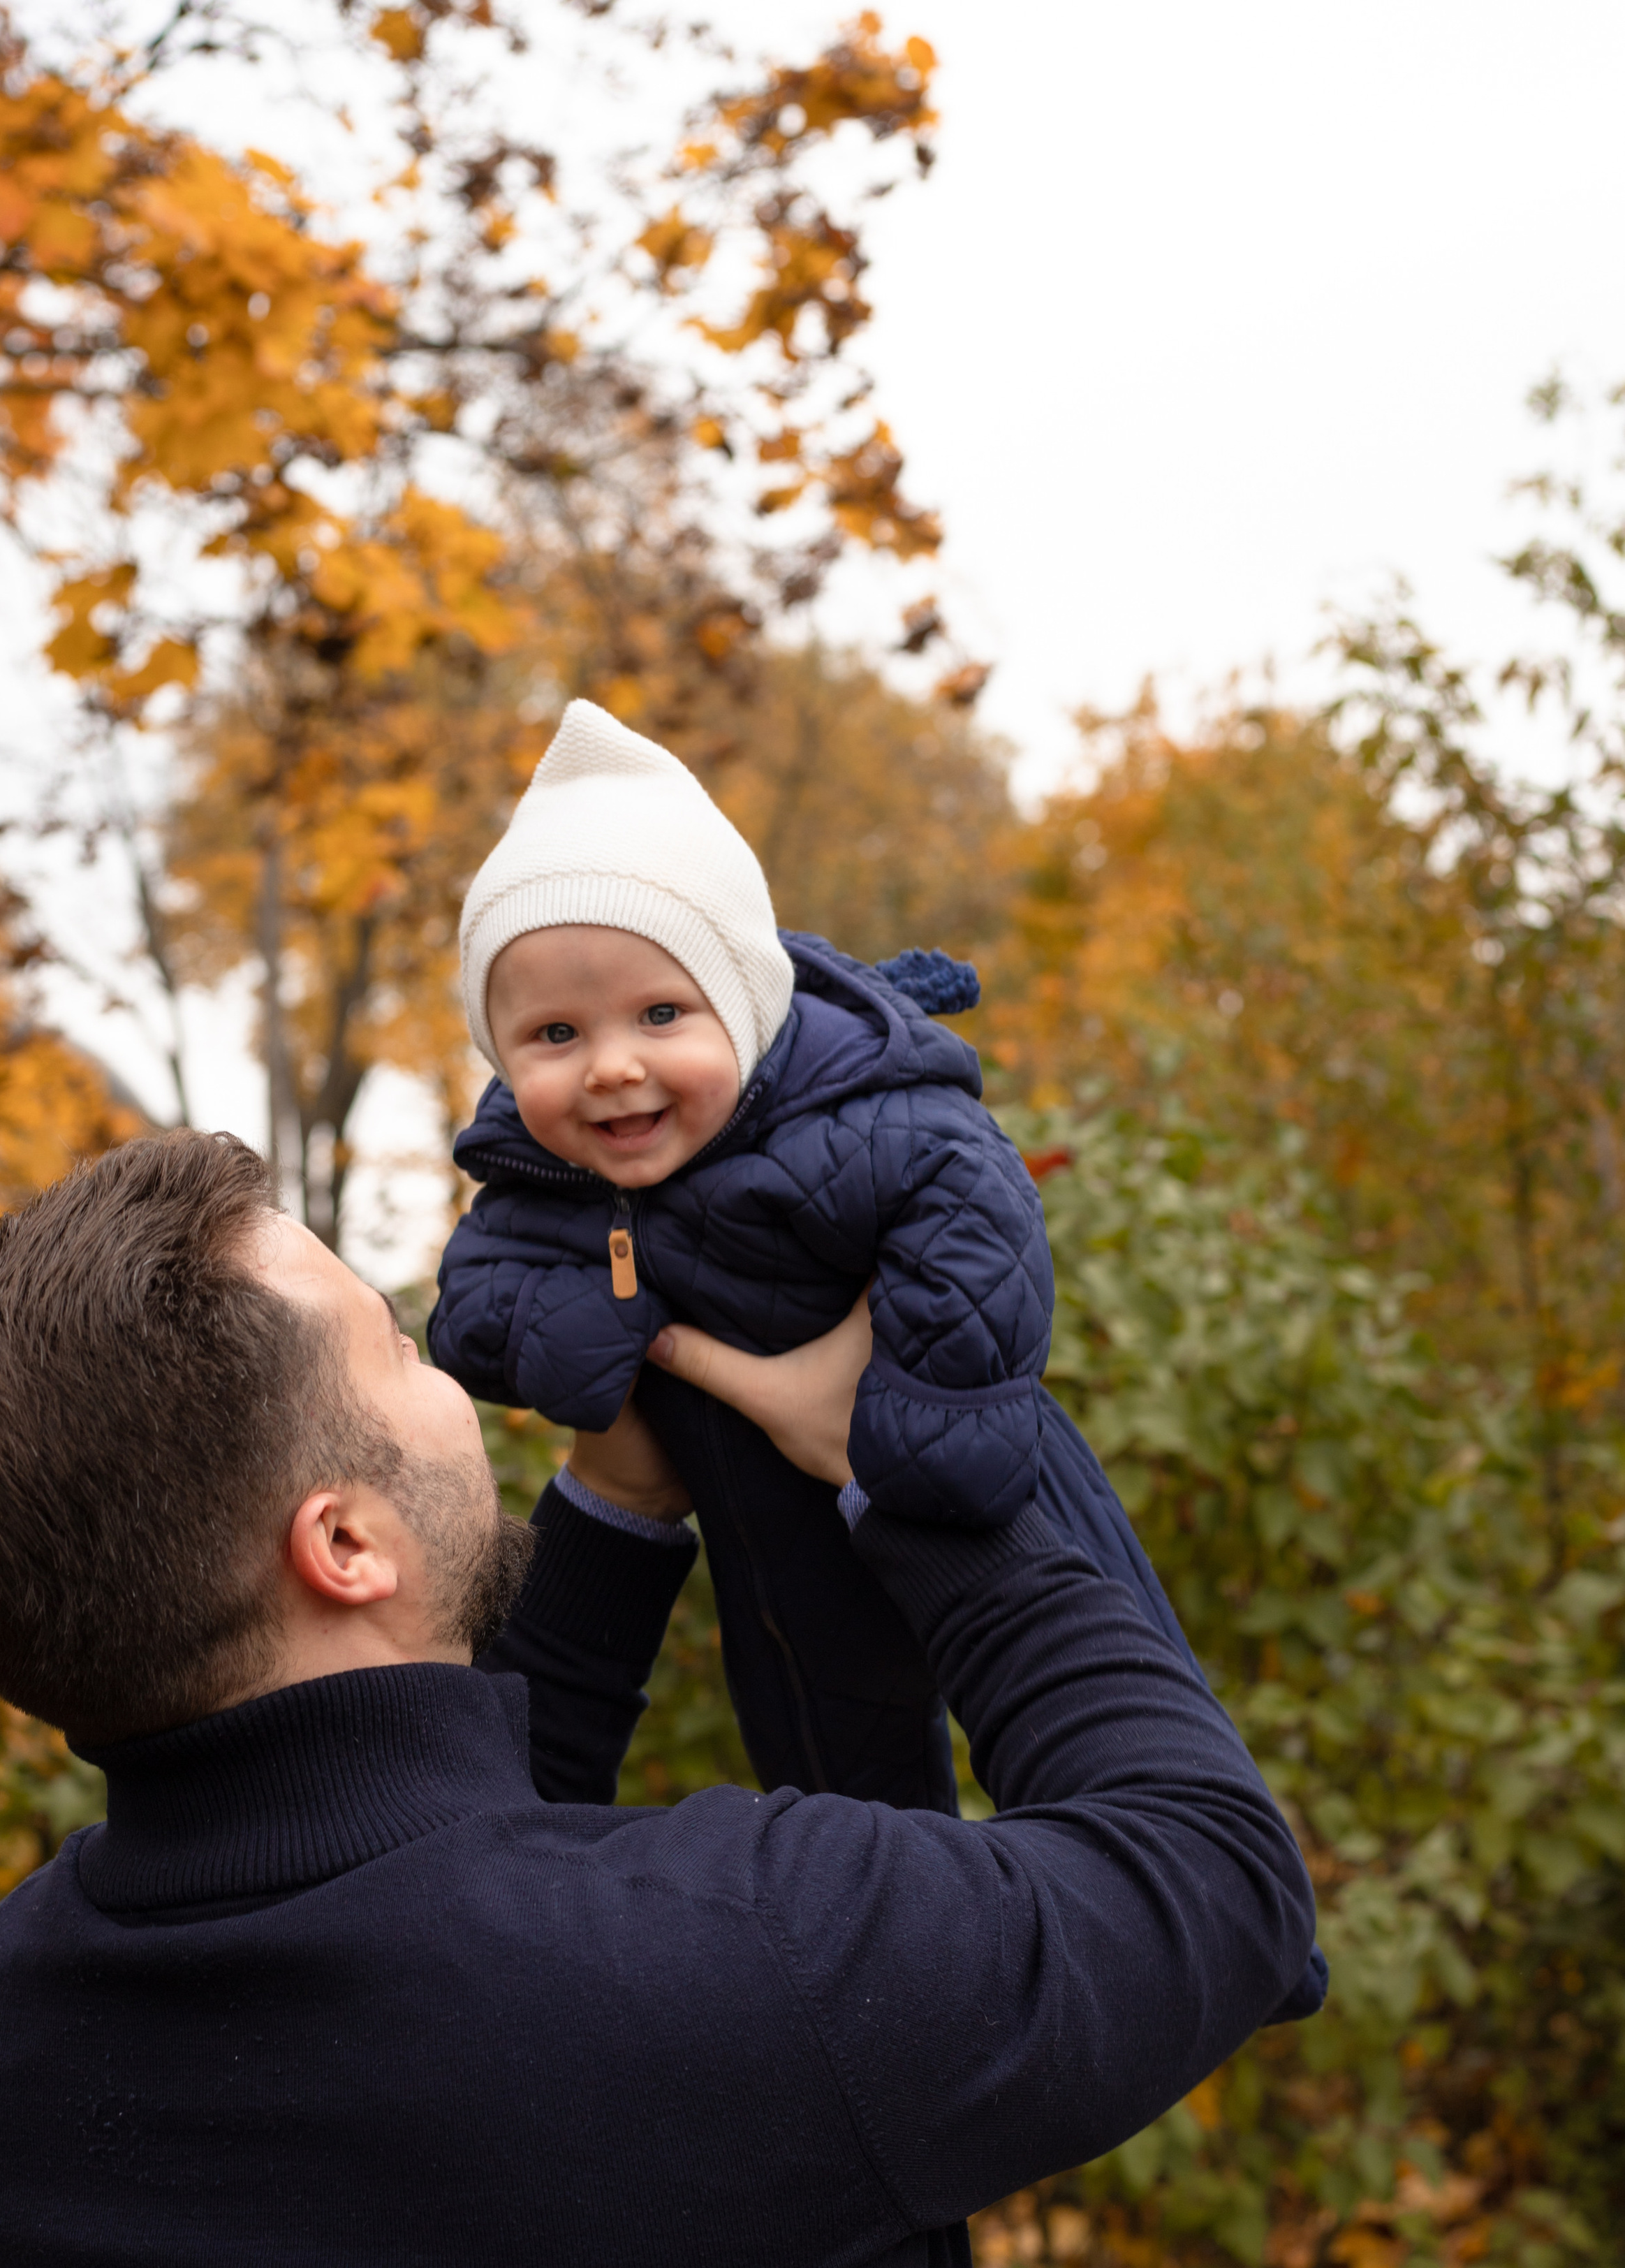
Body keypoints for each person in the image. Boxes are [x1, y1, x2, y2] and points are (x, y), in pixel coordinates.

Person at [0, 1130, 1322, 2268]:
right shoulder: (746, 1953)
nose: (452, 1387)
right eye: (400, 1351)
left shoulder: (13, 2027)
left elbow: (425, 1863)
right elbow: (1207, 1871)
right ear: (346, 1543)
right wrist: (919, 1461)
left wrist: (615, 1511)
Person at [433, 699, 1203, 1817]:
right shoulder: (542, 1175)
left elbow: (977, 1203)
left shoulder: (856, 1108)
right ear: (500, 1056)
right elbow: (474, 1313)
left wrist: (921, 1432)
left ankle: (1252, 1944)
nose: (609, 1067)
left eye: (660, 1014)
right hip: (766, 1534)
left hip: (943, 1454)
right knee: (841, 1775)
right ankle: (906, 1950)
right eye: (555, 1035)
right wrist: (582, 1346)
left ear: (744, 1007)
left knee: (1100, 1695)